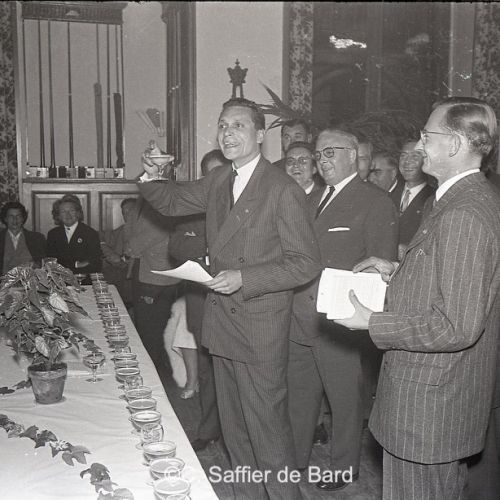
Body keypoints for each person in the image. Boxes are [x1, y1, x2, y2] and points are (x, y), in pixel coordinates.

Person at [138, 97, 321, 500]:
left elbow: (305, 263)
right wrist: (152, 175)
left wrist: (245, 278)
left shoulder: (282, 189)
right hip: (223, 324)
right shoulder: (220, 179)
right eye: (223, 125)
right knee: (235, 431)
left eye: (238, 125)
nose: (227, 133)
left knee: (268, 433)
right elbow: (171, 200)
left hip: (259, 327)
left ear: (261, 135)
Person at [336, 97, 500, 500]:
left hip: (429, 408)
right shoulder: (456, 199)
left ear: (455, 144)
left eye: (427, 136)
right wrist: (397, 270)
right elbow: (453, 281)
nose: (419, 145)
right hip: (432, 403)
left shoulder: (463, 213)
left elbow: (457, 325)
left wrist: (373, 322)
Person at [287, 128, 399, 492]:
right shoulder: (311, 198)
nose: (322, 160)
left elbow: (381, 266)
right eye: (319, 154)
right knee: (300, 395)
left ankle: (343, 467)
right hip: (300, 315)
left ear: (353, 155)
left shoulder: (374, 201)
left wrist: (361, 317)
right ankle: (295, 460)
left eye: (330, 152)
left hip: (341, 320)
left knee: (344, 399)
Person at [168, 149, 229, 451]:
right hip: (202, 303)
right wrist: (211, 245)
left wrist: (206, 247)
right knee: (206, 370)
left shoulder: (249, 204)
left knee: (235, 374)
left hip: (240, 304)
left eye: (221, 172)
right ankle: (208, 429)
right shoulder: (192, 210)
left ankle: (235, 435)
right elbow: (177, 246)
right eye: (210, 174)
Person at [126, 195, 180, 375]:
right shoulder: (143, 200)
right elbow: (129, 229)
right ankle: (154, 371)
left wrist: (132, 248)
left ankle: (151, 375)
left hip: (157, 278)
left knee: (152, 331)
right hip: (147, 274)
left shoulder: (163, 201)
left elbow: (145, 238)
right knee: (149, 328)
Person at [391, 140, 435, 259]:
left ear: (426, 160)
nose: (407, 162)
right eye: (403, 156)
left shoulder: (434, 198)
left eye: (415, 156)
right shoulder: (388, 194)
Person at [46, 196, 102, 276]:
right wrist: (76, 264)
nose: (68, 215)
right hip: (60, 280)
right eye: (63, 211)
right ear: (58, 215)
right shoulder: (53, 234)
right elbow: (51, 263)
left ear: (78, 213)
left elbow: (95, 263)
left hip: (83, 279)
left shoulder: (90, 233)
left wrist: (64, 264)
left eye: (72, 211)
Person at [100, 198, 137, 308]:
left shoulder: (147, 232)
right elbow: (101, 241)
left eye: (130, 210)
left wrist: (121, 259)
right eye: (124, 212)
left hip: (137, 280)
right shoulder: (119, 231)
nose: (127, 215)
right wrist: (111, 255)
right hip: (118, 279)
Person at [0, 201, 46, 274]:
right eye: (11, 216)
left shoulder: (37, 238)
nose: (15, 220)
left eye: (18, 216)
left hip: (30, 279)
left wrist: (36, 265)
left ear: (23, 218)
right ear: (5, 218)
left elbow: (44, 264)